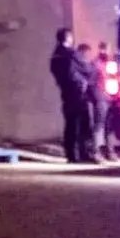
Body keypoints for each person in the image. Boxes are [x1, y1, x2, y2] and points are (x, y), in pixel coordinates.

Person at [49, 28, 91, 163]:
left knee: (70, 123)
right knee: (82, 123)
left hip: (65, 91)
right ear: (67, 38)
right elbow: (87, 69)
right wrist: (84, 80)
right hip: (78, 92)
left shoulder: (55, 55)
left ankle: (71, 154)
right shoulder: (71, 53)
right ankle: (82, 153)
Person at [91, 42, 120, 162]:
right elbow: (93, 82)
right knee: (99, 125)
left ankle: (111, 152)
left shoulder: (111, 64)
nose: (105, 52)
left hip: (110, 98)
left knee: (110, 126)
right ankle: (96, 152)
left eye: (107, 49)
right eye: (103, 49)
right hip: (101, 98)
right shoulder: (95, 64)